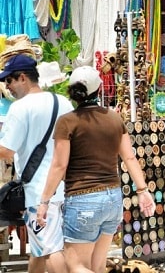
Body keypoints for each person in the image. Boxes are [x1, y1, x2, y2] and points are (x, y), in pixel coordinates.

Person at [36, 66, 155, 273]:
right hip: (113, 199)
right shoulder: (114, 118)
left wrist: (44, 201)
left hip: (83, 198)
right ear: (99, 88)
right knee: (97, 267)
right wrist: (143, 191)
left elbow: (59, 165)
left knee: (77, 266)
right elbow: (129, 157)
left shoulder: (67, 122)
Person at [0, 54, 74, 273]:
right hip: (68, 188)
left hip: (40, 193)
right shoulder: (63, 102)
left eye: (9, 81)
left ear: (22, 78)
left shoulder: (20, 108)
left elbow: (6, 151)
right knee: (41, 248)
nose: (7, 87)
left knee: (49, 250)